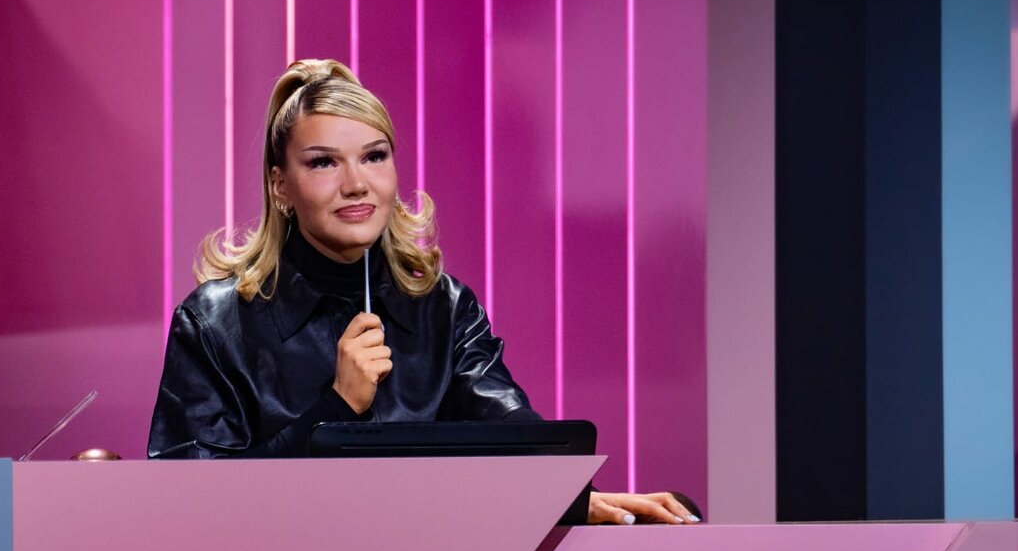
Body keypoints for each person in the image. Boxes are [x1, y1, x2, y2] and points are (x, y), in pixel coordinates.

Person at [147, 59, 698, 525]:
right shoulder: (215, 322)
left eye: (374, 156)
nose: (357, 184)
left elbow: (510, 432)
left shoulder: (445, 309)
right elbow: (191, 510)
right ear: (280, 185)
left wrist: (572, 498)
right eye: (323, 163)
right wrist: (335, 408)